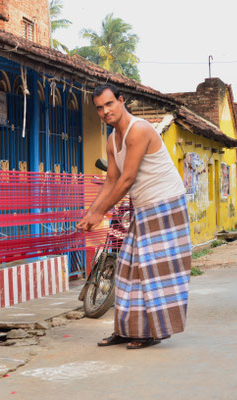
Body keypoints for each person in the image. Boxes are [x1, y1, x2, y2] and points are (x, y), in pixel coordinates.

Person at [77, 84, 191, 350]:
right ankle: (127, 330)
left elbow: (127, 180)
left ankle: (152, 332)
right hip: (145, 207)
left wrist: (99, 213)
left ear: (121, 100)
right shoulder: (111, 140)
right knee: (127, 269)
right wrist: (91, 212)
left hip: (165, 205)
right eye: (99, 108)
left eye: (109, 104)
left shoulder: (138, 130)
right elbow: (111, 181)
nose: (105, 111)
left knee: (153, 272)